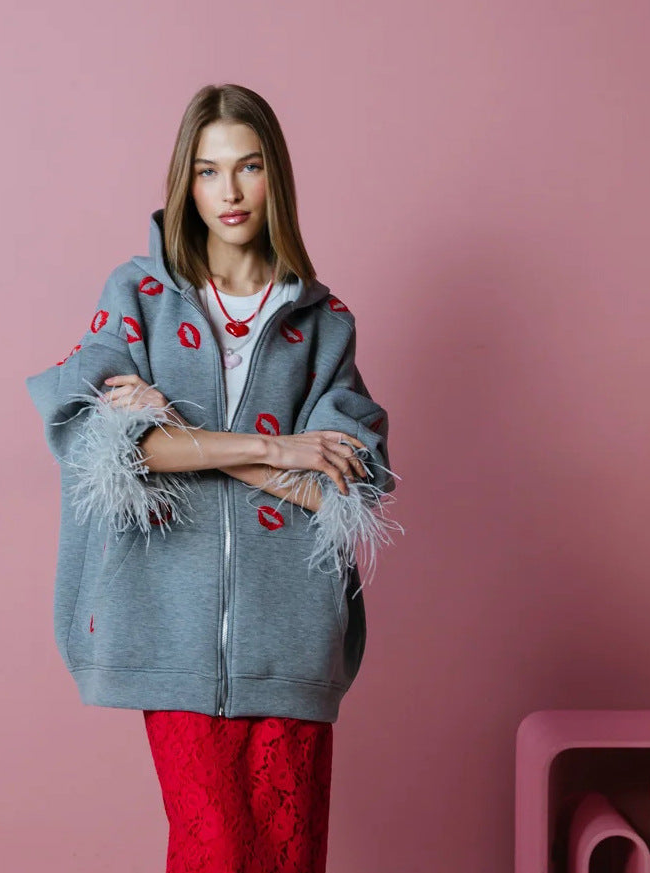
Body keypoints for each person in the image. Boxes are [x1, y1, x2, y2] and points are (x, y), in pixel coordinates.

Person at [25, 83, 402, 873]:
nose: (228, 191)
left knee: (289, 861)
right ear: (184, 182)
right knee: (217, 854)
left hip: (291, 640)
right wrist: (280, 449)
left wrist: (184, 434)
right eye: (207, 170)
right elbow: (109, 449)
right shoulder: (139, 295)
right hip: (171, 632)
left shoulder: (323, 322)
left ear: (275, 177)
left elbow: (339, 488)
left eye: (247, 166)